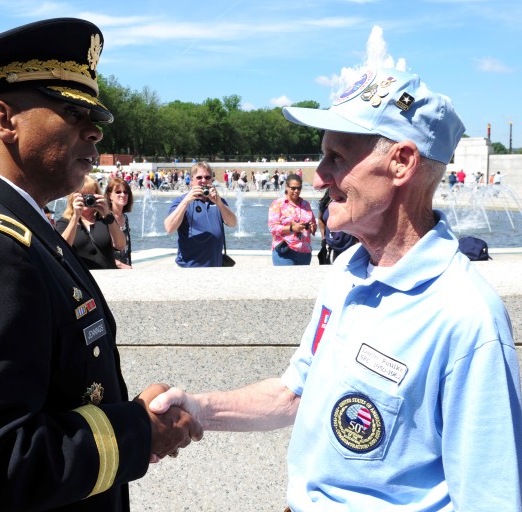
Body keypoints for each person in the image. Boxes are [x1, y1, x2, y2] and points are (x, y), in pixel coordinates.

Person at [149, 68, 522, 511]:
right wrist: (197, 407)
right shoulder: (347, 270)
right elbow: (296, 393)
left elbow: (490, 498)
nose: (319, 177)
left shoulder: (466, 317)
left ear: (401, 162)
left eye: (337, 158)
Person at [0, 18, 201, 512]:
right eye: (71, 111)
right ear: (3, 119)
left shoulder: (7, 227)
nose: (95, 130)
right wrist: (139, 432)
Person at [164, 161, 237, 267]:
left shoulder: (218, 201)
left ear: (211, 180)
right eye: (199, 178)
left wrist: (219, 203)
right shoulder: (181, 201)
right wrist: (186, 202)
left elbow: (232, 223)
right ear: (192, 180)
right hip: (190, 267)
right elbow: (169, 228)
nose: (203, 181)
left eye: (207, 177)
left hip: (215, 266)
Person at [56, 175, 125, 270]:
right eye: (83, 196)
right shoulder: (64, 222)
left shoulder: (105, 220)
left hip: (108, 276)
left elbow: (120, 245)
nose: (87, 199)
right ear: (73, 197)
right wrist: (75, 217)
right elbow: (61, 250)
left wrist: (107, 214)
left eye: (90, 195)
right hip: (82, 279)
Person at [268, 174, 317, 266]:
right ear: (287, 187)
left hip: (304, 252)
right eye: (293, 188)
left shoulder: (306, 204)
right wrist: (292, 228)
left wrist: (312, 227)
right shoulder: (277, 204)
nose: (296, 191)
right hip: (285, 252)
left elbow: (313, 223)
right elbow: (272, 228)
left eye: (299, 188)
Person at [317, 189, 358, 264]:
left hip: (349, 246)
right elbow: (320, 219)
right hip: (331, 246)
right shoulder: (327, 199)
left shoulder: (350, 199)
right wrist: (323, 237)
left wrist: (357, 239)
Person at [105, 177, 134, 269]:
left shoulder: (125, 218)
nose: (123, 195)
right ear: (109, 195)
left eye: (126, 192)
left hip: (126, 269)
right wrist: (121, 265)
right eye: (118, 192)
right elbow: (100, 251)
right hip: (110, 269)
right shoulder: (105, 218)